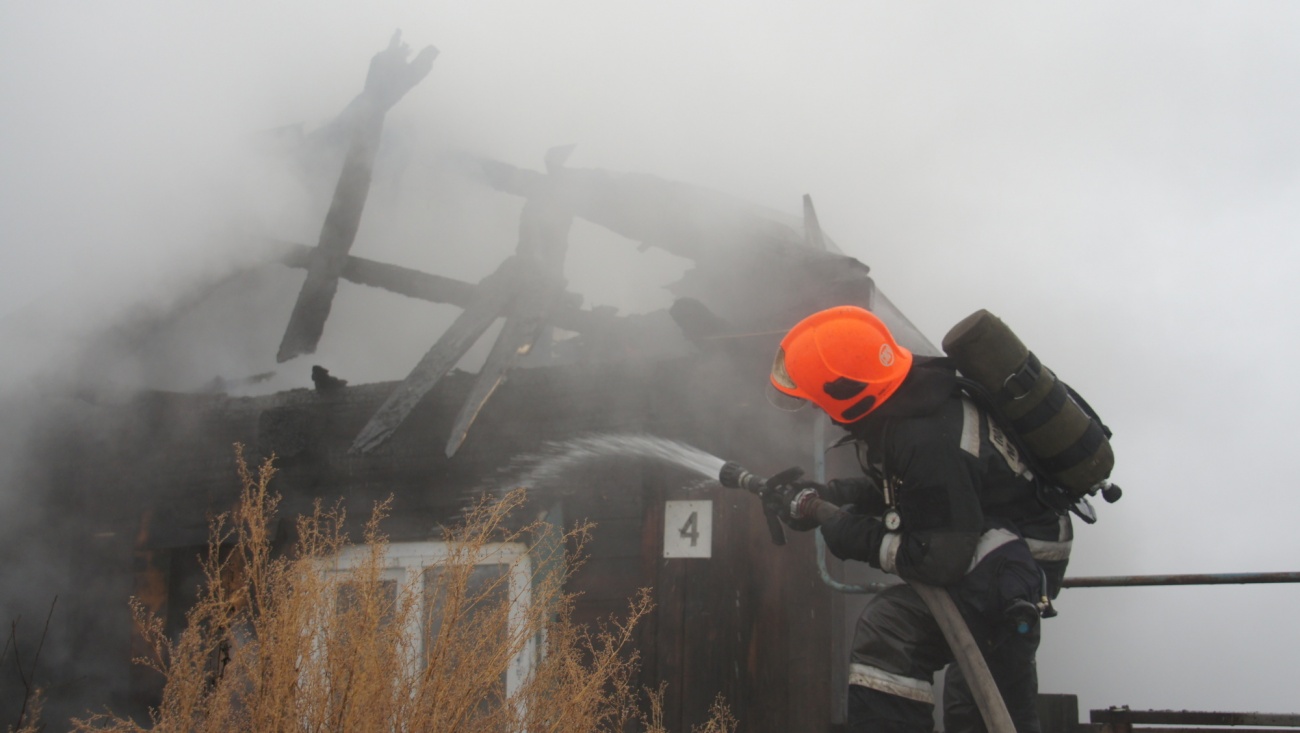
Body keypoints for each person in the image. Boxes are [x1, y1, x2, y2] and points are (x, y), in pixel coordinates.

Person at [764, 305, 1073, 733]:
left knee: (893, 630)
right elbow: (919, 492)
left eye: (818, 400)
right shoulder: (910, 399)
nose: (817, 410)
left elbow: (939, 558)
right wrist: (832, 495)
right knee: (978, 693)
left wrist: (847, 532)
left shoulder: (925, 435)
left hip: (1016, 555)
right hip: (991, 535)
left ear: (847, 390)